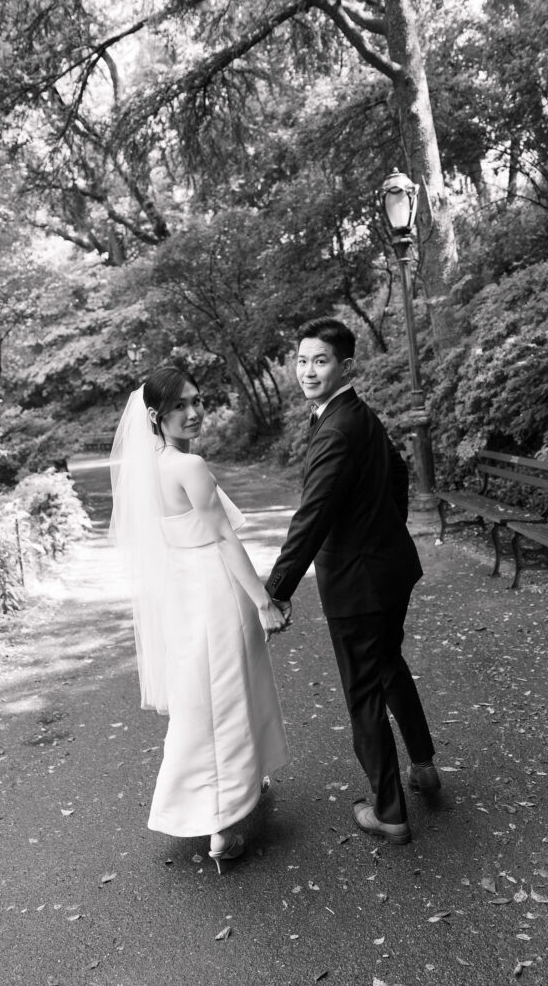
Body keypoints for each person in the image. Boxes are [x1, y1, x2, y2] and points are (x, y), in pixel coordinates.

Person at [265, 317, 439, 845]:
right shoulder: (355, 413)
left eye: (320, 360)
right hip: (390, 569)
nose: (308, 371)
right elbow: (398, 474)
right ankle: (424, 765)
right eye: (301, 360)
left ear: (345, 365)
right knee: (389, 666)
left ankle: (390, 812)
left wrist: (275, 590)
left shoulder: (339, 426)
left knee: (364, 690)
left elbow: (313, 515)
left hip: (359, 584)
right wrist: (386, 527)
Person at [110, 366, 290, 873]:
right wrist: (262, 602)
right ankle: (221, 823)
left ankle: (241, 788)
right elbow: (225, 539)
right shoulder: (189, 467)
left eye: (197, 401)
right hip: (216, 592)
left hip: (184, 597)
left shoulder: (150, 470)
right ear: (154, 416)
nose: (193, 412)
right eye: (180, 406)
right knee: (226, 699)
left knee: (209, 697)